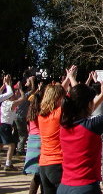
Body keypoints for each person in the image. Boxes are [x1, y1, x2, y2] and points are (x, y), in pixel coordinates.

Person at [57, 76, 103, 194]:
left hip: (64, 186)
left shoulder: (64, 125)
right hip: (85, 187)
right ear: (89, 104)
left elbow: (86, 108)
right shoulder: (92, 126)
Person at [38, 65, 77, 194]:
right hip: (57, 164)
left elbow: (58, 93)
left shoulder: (41, 116)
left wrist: (67, 78)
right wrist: (71, 78)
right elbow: (78, 98)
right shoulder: (58, 114)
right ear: (59, 98)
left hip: (44, 165)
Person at [0, 81, 26, 171]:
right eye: (13, 94)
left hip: (1, 124)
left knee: (0, 145)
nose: (15, 94)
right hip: (6, 125)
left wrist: (8, 84)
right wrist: (21, 89)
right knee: (11, 145)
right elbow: (23, 98)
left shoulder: (3, 102)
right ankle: (8, 163)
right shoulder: (11, 103)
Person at [23, 86, 44, 194]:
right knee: (42, 174)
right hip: (41, 140)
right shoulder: (42, 111)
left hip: (32, 140)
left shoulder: (31, 109)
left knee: (37, 175)